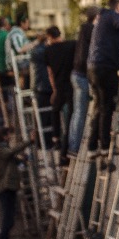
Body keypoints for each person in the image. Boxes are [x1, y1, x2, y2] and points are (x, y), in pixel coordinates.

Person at [86, 0, 119, 155]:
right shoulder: (112, 16)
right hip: (105, 67)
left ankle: (92, 146)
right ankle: (105, 145)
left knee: (100, 106)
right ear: (118, 7)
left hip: (93, 67)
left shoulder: (102, 18)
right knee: (107, 106)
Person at [0, 126, 36, 239]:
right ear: (3, 136)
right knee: (7, 221)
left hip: (9, 188)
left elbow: (13, 158)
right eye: (8, 135)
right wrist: (30, 141)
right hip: (5, 189)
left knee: (9, 221)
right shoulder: (0, 150)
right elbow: (11, 152)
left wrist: (23, 160)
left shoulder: (2, 151)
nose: (10, 137)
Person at [68, 6, 99, 155]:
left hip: (75, 73)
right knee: (82, 112)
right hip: (83, 74)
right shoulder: (92, 30)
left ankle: (73, 146)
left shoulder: (83, 29)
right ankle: (75, 147)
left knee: (77, 113)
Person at [45, 26, 76, 159]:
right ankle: (70, 139)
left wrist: (54, 90)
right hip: (71, 83)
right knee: (71, 113)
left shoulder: (48, 51)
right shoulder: (71, 45)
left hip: (59, 85)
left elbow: (50, 72)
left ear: (49, 37)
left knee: (55, 110)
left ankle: (56, 138)